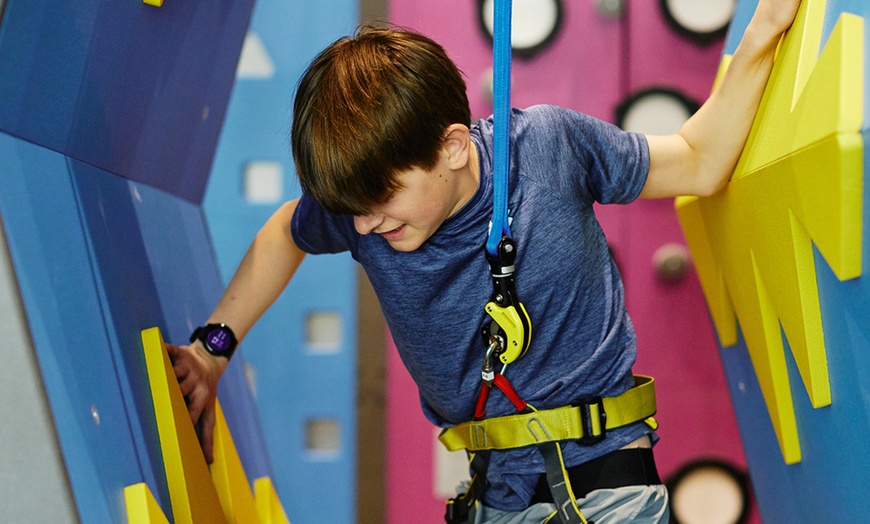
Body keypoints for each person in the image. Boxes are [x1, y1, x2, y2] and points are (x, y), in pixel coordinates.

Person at [167, 1, 801, 522]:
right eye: (351, 210)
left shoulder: (546, 149)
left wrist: (763, 35)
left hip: (608, 481)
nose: (365, 226)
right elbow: (286, 231)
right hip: (493, 494)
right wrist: (211, 348)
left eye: (381, 202)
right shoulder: (365, 213)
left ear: (450, 148)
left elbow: (697, 158)